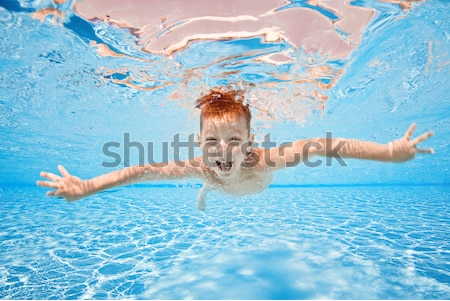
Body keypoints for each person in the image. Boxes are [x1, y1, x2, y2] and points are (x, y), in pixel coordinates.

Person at [36, 88, 434, 210]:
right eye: (212, 142)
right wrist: (86, 186)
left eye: (233, 141)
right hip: (216, 183)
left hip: (255, 184)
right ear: (199, 143)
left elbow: (323, 145)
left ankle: (208, 190)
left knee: (216, 178)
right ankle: (206, 192)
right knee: (211, 179)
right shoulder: (202, 164)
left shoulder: (263, 160)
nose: (222, 150)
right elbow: (139, 172)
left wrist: (388, 151)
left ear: (249, 143)